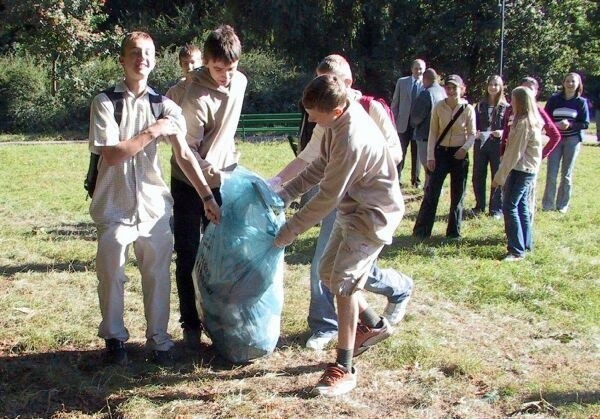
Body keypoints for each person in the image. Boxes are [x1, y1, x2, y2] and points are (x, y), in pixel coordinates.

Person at [88, 31, 220, 366]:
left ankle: (160, 343)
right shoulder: (105, 102)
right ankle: (114, 341)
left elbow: (185, 156)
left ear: (155, 60)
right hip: (114, 207)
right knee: (111, 272)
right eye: (134, 52)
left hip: (153, 207)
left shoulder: (166, 106)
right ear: (122, 59)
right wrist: (153, 131)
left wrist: (205, 194)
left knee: (158, 275)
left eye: (147, 53)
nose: (141, 58)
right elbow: (114, 154)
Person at [270, 54, 412, 351]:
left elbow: (327, 197)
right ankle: (374, 326)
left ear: (335, 111)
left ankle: (344, 364)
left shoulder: (351, 137)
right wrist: (285, 193)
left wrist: (289, 231)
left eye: (314, 115)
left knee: (345, 284)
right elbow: (319, 164)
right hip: (352, 208)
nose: (310, 120)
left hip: (373, 214)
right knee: (327, 273)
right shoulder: (335, 121)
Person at [170, 25, 247, 351]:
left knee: (223, 255)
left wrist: (223, 169)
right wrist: (205, 193)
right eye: (218, 69)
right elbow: (186, 154)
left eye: (230, 69)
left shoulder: (239, 81)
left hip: (223, 180)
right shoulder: (195, 97)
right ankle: (191, 324)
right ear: (206, 64)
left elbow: (224, 132)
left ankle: (222, 320)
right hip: (189, 182)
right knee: (188, 253)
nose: (225, 76)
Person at [413, 75, 476, 239]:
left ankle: (453, 232)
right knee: (432, 192)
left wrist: (464, 149)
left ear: (462, 89)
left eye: (454, 88)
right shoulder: (439, 107)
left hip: (459, 154)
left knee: (458, 194)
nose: (451, 91)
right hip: (441, 153)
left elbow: (472, 134)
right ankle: (422, 231)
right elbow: (433, 133)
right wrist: (430, 157)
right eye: (448, 88)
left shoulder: (468, 108)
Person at [492, 87, 543, 261]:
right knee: (520, 206)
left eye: (513, 99)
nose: (510, 102)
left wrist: (499, 177)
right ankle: (526, 243)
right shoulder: (527, 120)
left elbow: (514, 153)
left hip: (522, 170)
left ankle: (516, 250)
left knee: (509, 207)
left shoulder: (523, 124)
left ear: (520, 101)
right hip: (524, 169)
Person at [542, 72, 590, 213]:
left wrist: (570, 125)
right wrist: (555, 125)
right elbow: (545, 118)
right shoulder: (554, 100)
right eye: (567, 81)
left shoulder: (581, 102)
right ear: (563, 83)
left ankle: (562, 205)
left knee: (566, 174)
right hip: (556, 139)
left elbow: (585, 123)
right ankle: (548, 205)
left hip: (572, 140)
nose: (570, 84)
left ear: (578, 84)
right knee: (552, 172)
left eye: (573, 82)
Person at [470, 75, 509, 218]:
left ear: (501, 88)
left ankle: (496, 209)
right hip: (480, 144)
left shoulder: (506, 107)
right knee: (478, 175)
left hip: (497, 145)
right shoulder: (480, 106)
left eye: (496, 85)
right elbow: (472, 125)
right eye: (491, 84)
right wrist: (475, 132)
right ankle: (479, 206)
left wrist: (502, 132)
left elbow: (510, 128)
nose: (493, 87)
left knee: (497, 176)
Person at [410, 67, 447, 189]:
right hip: (441, 135)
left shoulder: (426, 93)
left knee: (427, 165)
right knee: (435, 164)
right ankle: (430, 187)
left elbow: (417, 116)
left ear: (426, 80)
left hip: (425, 135)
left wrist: (413, 124)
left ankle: (430, 189)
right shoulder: (443, 92)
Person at [391, 59, 426, 188]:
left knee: (417, 154)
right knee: (400, 152)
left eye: (421, 69)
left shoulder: (426, 85)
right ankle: (396, 179)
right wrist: (393, 121)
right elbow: (395, 103)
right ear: (412, 69)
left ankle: (415, 181)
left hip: (418, 125)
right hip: (402, 124)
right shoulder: (402, 82)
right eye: (416, 68)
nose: (418, 71)